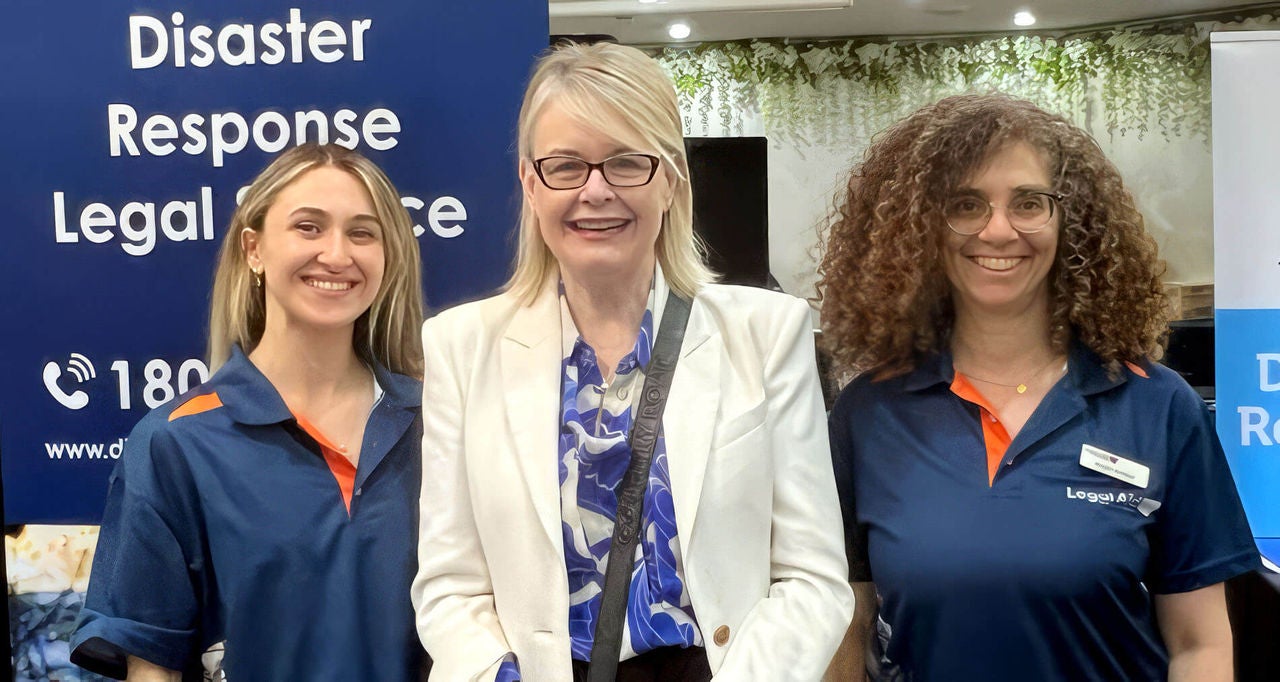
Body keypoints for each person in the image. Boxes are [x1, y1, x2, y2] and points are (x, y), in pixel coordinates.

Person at [411, 42, 852, 682]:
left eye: (626, 163)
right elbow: (451, 584)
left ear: (671, 178)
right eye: (566, 166)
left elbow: (811, 577)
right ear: (531, 184)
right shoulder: (461, 346)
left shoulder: (765, 334)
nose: (596, 191)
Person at [818, 93, 1260, 681]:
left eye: (1029, 202)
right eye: (966, 204)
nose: (998, 230)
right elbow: (847, 628)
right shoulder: (868, 414)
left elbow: (1199, 644)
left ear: (1070, 221)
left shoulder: (1159, 406)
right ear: (920, 227)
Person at [71, 143, 429, 680]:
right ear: (254, 250)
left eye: (362, 232)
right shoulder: (176, 443)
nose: (337, 254)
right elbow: (153, 665)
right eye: (308, 227)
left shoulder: (440, 421)